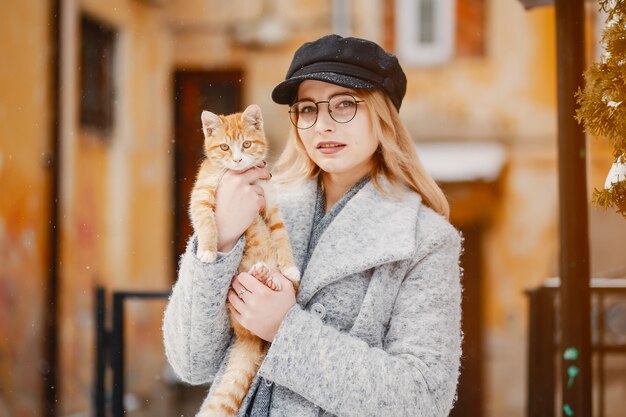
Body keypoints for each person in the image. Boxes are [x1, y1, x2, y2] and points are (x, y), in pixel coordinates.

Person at [163, 34, 463, 417]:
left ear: (382, 115)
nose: (322, 125)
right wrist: (221, 239)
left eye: (344, 105)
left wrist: (286, 330)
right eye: (307, 109)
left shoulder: (424, 239)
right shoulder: (259, 203)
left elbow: (422, 400)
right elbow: (190, 362)